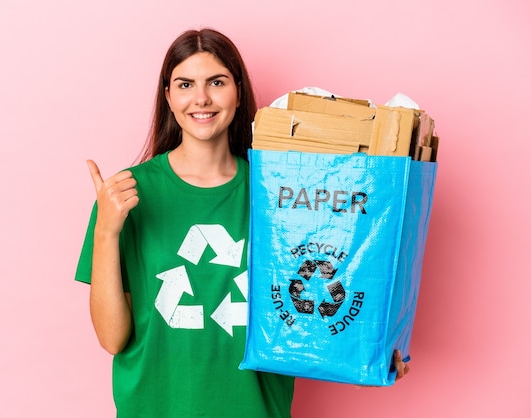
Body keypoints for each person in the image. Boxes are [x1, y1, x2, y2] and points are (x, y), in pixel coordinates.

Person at [75, 28, 409, 418]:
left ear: (237, 91)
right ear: (168, 96)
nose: (201, 98)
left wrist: (372, 348)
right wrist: (107, 229)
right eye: (185, 84)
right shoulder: (126, 195)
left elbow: (311, 297)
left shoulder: (285, 197)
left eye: (216, 82)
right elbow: (113, 339)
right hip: (154, 407)